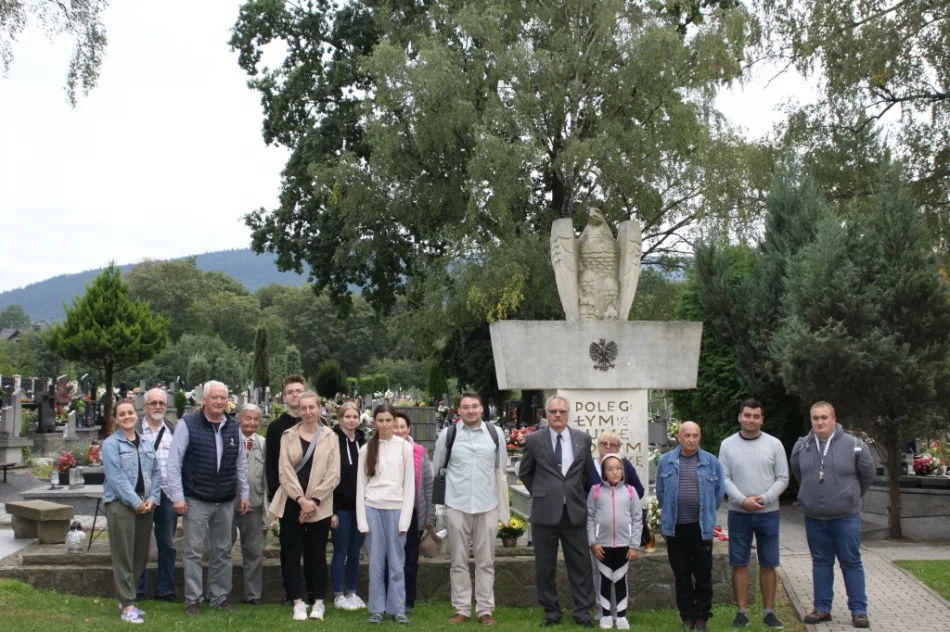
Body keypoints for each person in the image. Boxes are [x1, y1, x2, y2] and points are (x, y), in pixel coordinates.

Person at [166, 381, 250, 616]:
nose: (220, 402)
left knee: (223, 550)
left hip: (225, 500)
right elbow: (174, 462)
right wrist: (178, 496)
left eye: (223, 398)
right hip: (196, 499)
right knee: (193, 551)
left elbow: (240, 464)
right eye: (215, 398)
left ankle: (219, 596)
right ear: (204, 399)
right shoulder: (187, 424)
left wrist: (244, 493)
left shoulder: (234, 427)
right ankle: (193, 599)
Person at [791, 401, 875, 629]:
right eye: (815, 418)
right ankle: (821, 609)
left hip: (845, 518)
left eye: (824, 417)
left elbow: (867, 475)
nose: (819, 422)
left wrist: (850, 496)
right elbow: (799, 472)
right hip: (814, 518)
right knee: (820, 562)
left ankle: (859, 611)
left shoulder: (855, 446)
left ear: (834, 419)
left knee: (851, 562)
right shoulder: (802, 446)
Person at [432, 391, 510, 626]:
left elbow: (501, 469)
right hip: (457, 505)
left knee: (486, 561)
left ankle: (485, 609)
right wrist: (440, 508)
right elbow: (438, 469)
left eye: (475, 406)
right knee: (458, 561)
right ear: (459, 410)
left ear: (482, 409)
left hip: (487, 505)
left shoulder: (495, 435)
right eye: (466, 407)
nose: (471, 411)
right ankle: (462, 609)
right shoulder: (448, 435)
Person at [519, 395, 596, 628]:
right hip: (545, 512)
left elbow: (586, 473)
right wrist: (542, 492)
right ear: (546, 414)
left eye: (562, 411)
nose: (558, 415)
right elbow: (525, 472)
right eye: (553, 411)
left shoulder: (582, 439)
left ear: (568, 413)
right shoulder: (534, 440)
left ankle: (582, 612)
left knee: (581, 565)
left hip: (573, 511)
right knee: (545, 566)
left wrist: (570, 493)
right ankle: (551, 612)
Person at [269, 391, 340, 621]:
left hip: (320, 505)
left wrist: (315, 501)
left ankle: (318, 602)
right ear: (298, 410)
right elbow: (284, 471)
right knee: (291, 554)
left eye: (312, 407)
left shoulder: (330, 436)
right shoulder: (287, 435)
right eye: (303, 408)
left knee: (317, 554)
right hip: (292, 503)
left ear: (320, 408)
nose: (308, 412)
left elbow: (334, 474)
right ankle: (297, 602)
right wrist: (301, 500)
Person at [719, 399, 789, 629]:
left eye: (756, 416)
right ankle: (742, 613)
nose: (751, 420)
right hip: (739, 513)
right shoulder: (727, 445)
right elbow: (724, 478)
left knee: (769, 563)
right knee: (739, 563)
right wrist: (742, 500)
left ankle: (769, 612)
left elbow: (783, 478)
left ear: (762, 419)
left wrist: (766, 498)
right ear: (740, 417)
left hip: (768, 513)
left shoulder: (774, 444)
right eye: (747, 415)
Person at [655, 421, 725, 632]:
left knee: (703, 575)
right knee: (682, 575)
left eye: (695, 435)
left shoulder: (711, 462)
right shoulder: (666, 462)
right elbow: (661, 494)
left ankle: (701, 617)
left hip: (701, 528)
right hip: (676, 529)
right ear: (679, 437)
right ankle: (687, 617)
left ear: (700, 437)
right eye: (687, 435)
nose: (691, 439)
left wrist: (707, 516)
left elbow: (718, 494)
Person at [102, 399, 162, 624]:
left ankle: (126, 597)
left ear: (135, 415)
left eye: (130, 412)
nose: (127, 416)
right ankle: (127, 604)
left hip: (145, 507)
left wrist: (152, 499)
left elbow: (156, 473)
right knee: (123, 555)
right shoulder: (111, 444)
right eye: (122, 414)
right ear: (116, 419)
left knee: (140, 554)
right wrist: (135, 501)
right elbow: (115, 476)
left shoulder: (146, 443)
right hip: (121, 505)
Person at [357, 403, 415, 625]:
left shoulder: (404, 448)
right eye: (380, 420)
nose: (384, 425)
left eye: (388, 420)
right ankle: (377, 608)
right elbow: (361, 488)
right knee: (376, 563)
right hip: (372, 509)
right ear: (374, 422)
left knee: (397, 562)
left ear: (394, 421)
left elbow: (409, 485)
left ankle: (397, 608)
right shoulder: (366, 449)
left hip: (396, 509)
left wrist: (405, 520)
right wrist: (362, 520)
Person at [587, 430, 645, 622]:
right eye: (604, 444)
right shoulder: (589, 469)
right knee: (601, 574)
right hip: (599, 535)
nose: (608, 448)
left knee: (619, 576)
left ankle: (618, 613)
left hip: (621, 537)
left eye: (613, 445)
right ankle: (602, 610)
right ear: (598, 445)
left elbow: (638, 494)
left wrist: (625, 500)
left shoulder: (625, 471)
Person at [265, 374, 310, 604]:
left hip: (312, 499)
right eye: (290, 392)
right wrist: (276, 492)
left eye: (299, 390)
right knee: (290, 549)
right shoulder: (275, 428)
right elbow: (272, 464)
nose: (295, 395)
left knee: (312, 549)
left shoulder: (315, 425)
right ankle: (290, 591)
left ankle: (312, 590)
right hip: (287, 497)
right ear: (284, 397)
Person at [136, 388, 177, 602]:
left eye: (161, 402)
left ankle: (166, 590)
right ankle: (138, 589)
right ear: (145, 407)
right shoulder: (134, 430)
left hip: (167, 493)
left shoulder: (172, 429)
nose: (158, 406)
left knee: (167, 544)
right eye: (153, 403)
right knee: (140, 543)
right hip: (142, 495)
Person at [393, 411, 437, 615]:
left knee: (410, 560)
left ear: (408, 428)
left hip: (413, 515)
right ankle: (392, 598)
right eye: (395, 426)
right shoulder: (384, 450)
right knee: (392, 559)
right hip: (390, 513)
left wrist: (429, 518)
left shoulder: (419, 452)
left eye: (403, 427)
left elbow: (428, 487)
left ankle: (408, 601)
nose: (399, 430)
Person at [330, 401, 368, 611]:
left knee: (355, 551)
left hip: (360, 506)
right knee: (340, 551)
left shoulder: (363, 442)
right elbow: (327, 476)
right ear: (340, 418)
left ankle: (352, 592)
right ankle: (338, 594)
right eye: (347, 417)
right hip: (340, 507)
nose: (351, 420)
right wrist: (332, 510)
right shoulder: (332, 441)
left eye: (355, 417)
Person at [231, 404, 267, 606]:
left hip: (254, 504)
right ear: (239, 419)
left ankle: (253, 596)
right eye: (248, 418)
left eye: (256, 419)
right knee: (222, 550)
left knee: (254, 552)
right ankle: (220, 593)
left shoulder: (263, 443)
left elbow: (268, 478)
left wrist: (268, 512)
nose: (252, 423)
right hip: (228, 504)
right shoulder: (228, 440)